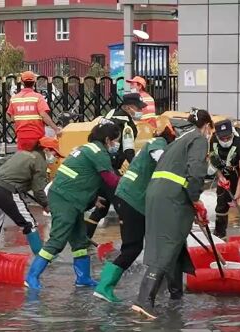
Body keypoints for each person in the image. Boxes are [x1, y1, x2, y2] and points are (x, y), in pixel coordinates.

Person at [132, 108, 213, 320]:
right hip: (172, 196)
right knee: (168, 243)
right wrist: (195, 198)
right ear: (207, 127)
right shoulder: (199, 139)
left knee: (175, 243)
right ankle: (144, 299)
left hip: (157, 193)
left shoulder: (177, 141)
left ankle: (176, 294)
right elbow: (195, 170)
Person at [24, 121, 122, 290]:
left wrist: (92, 199)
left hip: (70, 198)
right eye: (114, 141)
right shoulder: (99, 152)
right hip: (65, 200)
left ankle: (83, 278)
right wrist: (131, 184)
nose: (115, 144)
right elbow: (110, 180)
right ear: (107, 139)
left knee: (79, 240)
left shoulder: (87, 148)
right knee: (57, 240)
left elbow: (82, 178)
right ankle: (31, 276)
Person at [93, 118, 177, 303]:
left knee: (141, 243)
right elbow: (163, 162)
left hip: (131, 198)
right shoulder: (158, 144)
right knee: (132, 247)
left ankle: (159, 284)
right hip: (131, 199)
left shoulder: (155, 143)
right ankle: (104, 287)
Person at [0, 137, 62, 255]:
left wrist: (11, 175)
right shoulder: (40, 161)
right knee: (29, 224)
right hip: (7, 191)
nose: (55, 157)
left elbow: (0, 163)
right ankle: (42, 257)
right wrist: (45, 204)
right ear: (46, 150)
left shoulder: (22, 153)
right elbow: (38, 189)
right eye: (55, 153)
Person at [84, 93, 146, 239]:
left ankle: (85, 238)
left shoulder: (111, 114)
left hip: (100, 164)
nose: (140, 111)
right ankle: (130, 244)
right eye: (138, 108)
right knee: (123, 204)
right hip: (108, 168)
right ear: (129, 107)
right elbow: (129, 152)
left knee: (102, 207)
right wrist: (138, 170)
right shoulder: (127, 125)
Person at [7, 71, 60, 151]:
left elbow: (12, 118)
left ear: (22, 82)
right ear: (34, 81)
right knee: (37, 159)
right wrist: (56, 129)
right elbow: (44, 115)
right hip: (37, 137)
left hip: (21, 136)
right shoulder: (38, 97)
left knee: (24, 160)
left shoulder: (14, 99)